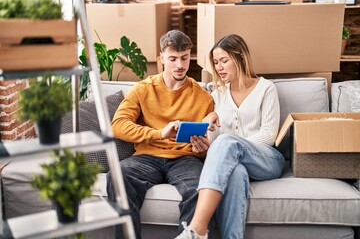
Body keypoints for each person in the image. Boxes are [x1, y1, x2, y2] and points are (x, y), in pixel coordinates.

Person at [106, 30, 214, 239]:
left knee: (200, 189)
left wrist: (202, 150)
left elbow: (206, 142)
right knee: (118, 177)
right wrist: (159, 133)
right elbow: (117, 125)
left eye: (184, 58)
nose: (180, 65)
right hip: (147, 157)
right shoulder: (143, 89)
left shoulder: (203, 97)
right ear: (161, 58)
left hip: (185, 158)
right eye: (172, 59)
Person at [175, 34, 285, 239]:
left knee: (228, 143)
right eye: (216, 63)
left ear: (241, 57)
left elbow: (269, 135)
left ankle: (198, 228)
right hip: (235, 162)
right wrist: (206, 141)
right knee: (236, 173)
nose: (219, 68)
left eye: (224, 61)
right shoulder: (217, 95)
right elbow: (216, 141)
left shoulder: (265, 88)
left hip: (267, 159)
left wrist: (233, 146)